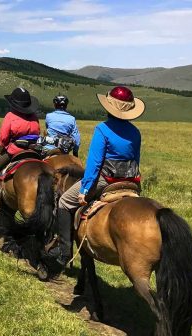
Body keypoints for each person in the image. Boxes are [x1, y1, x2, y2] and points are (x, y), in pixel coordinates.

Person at [50, 86, 145, 265]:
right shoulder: (135, 132)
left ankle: (63, 252)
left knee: (63, 203)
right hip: (131, 182)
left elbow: (94, 164)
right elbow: (136, 159)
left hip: (106, 180)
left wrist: (85, 189)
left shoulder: (102, 129)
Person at [0, 87, 41, 214]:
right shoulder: (34, 116)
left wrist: (1, 147)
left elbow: (4, 138)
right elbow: (37, 132)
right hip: (34, 151)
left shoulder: (10, 116)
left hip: (15, 151)